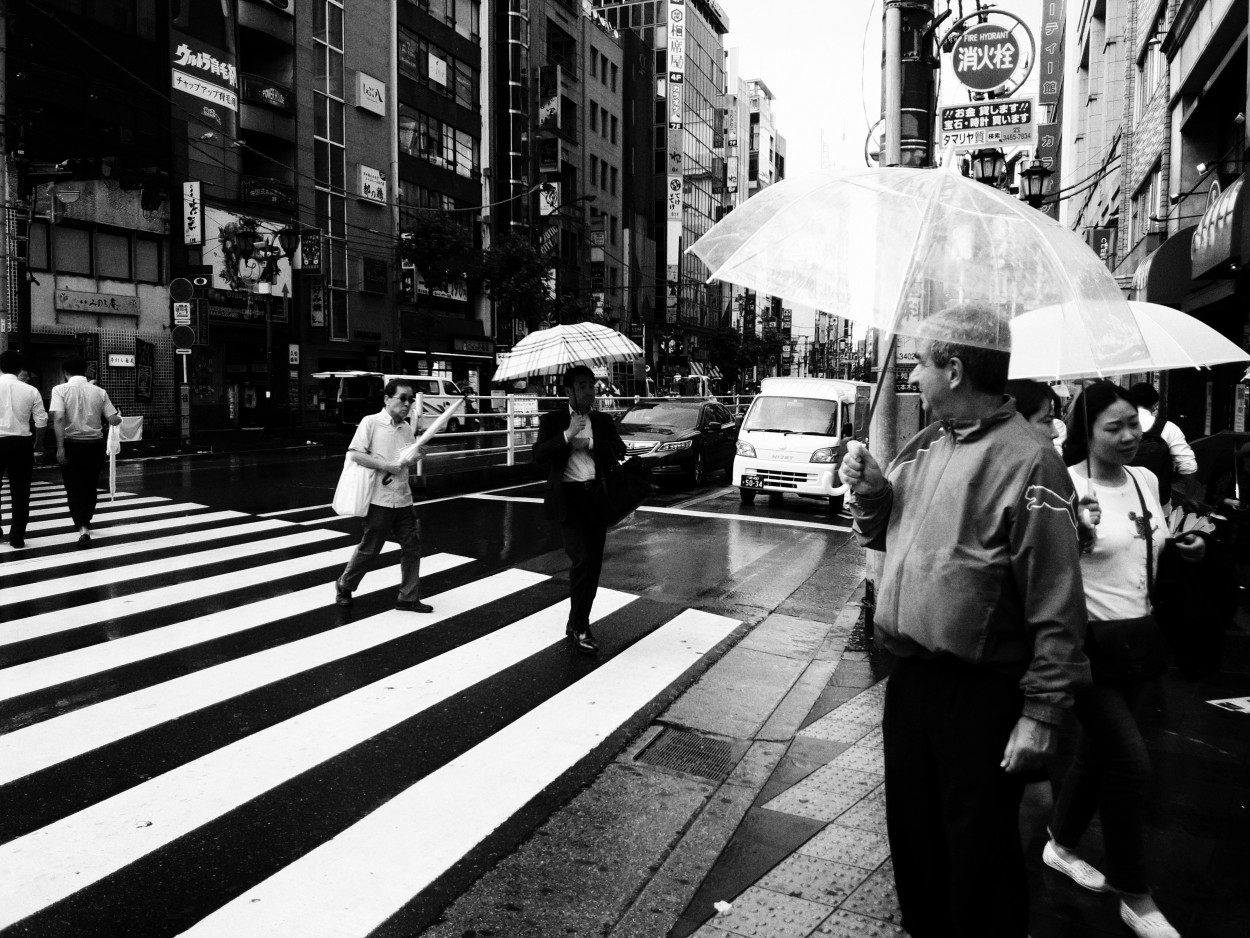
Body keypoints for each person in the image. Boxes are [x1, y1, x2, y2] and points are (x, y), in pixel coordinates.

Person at [839, 306, 1089, 938]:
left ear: (953, 370)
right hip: (911, 685)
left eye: (921, 362)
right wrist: (872, 490)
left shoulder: (1032, 463)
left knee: (978, 861)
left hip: (982, 696)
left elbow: (1058, 607)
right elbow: (881, 536)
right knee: (915, 848)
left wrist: (1043, 714)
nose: (913, 373)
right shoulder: (923, 448)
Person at [1044, 381, 1204, 938]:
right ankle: (1136, 894)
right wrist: (1077, 536)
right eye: (1115, 428)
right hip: (1087, 646)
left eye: (1134, 424)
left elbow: (1146, 543)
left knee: (1096, 754)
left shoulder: (1146, 479)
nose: (1131, 436)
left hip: (1140, 641)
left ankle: (1060, 844)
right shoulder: (1064, 484)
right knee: (1130, 765)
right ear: (1086, 431)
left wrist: (1186, 546)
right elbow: (1046, 566)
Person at [533, 364, 626, 654]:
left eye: (592, 385)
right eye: (583, 386)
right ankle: (582, 626)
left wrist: (590, 442)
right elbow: (538, 454)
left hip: (596, 497)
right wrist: (566, 436)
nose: (590, 391)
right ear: (568, 391)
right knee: (582, 560)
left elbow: (619, 449)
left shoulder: (601, 420)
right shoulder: (554, 420)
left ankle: (576, 622)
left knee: (593, 564)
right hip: (568, 499)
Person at [334, 379, 431, 612]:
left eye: (411, 399)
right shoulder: (371, 423)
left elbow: (403, 460)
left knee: (412, 546)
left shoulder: (407, 428)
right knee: (371, 547)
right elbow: (355, 454)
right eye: (403, 398)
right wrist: (386, 465)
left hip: (403, 497)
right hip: (379, 498)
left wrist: (416, 455)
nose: (408, 404)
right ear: (387, 399)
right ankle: (345, 584)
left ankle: (408, 597)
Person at [49, 356, 121, 545]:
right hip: (94, 445)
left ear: (65, 373)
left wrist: (60, 448)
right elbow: (113, 419)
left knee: (73, 487)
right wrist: (118, 416)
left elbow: (57, 419)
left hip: (71, 444)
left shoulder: (59, 390)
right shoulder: (99, 391)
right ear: (86, 372)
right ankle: (86, 520)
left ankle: (81, 526)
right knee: (90, 485)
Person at [0, 350, 49, 549]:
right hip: (21, 444)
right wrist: (38, 445)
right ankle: (17, 536)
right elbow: (41, 421)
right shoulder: (31, 391)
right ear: (20, 369)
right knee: (21, 492)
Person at [1127, 382, 1198, 510]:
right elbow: (1188, 466)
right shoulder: (1169, 428)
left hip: (1121, 501)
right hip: (1159, 504)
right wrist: (1190, 497)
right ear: (1155, 406)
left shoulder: (1117, 426)